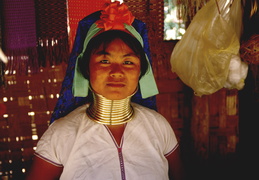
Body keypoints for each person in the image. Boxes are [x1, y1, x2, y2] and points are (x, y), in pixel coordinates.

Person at [26, 1, 184, 180]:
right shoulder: (62, 133)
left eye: (128, 62)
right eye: (104, 61)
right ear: (86, 68)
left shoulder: (158, 126)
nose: (117, 72)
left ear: (141, 72)